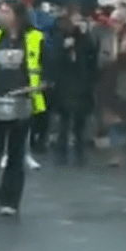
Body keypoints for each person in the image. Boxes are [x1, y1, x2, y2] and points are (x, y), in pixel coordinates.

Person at [0, 0, 45, 216]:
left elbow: (45, 64)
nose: (1, 15)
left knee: (16, 152)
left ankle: (10, 200)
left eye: (6, 11)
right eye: (0, 11)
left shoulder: (35, 38)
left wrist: (42, 83)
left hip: (22, 100)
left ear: (17, 15)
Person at [47, 8, 98, 166]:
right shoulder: (58, 37)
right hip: (64, 84)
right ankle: (61, 151)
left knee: (79, 123)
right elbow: (53, 59)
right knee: (64, 121)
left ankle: (79, 152)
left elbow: (92, 56)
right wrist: (64, 47)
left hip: (81, 84)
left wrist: (85, 34)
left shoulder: (85, 38)